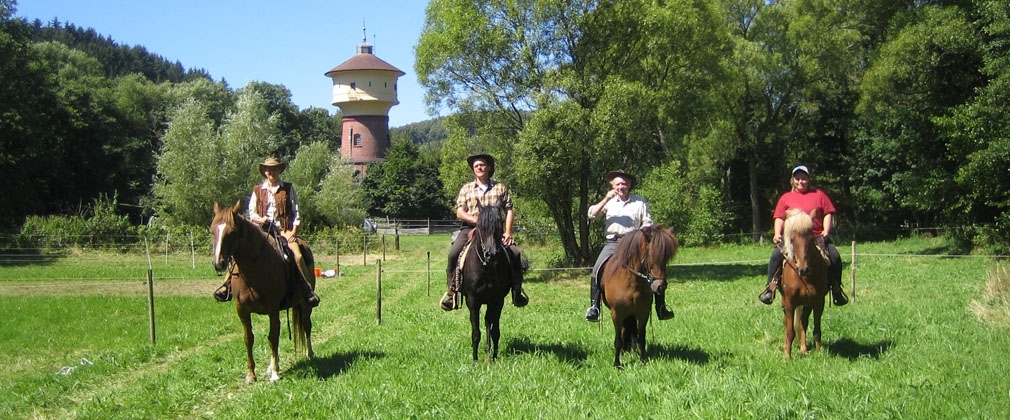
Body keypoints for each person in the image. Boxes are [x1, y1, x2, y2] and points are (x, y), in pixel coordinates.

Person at [214, 157, 320, 308]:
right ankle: (226, 286)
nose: (271, 172)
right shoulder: (257, 190)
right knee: (240, 253)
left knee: (298, 255)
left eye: (274, 169)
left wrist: (293, 232)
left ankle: (307, 290)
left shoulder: (288, 189)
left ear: (279, 170)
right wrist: (260, 219)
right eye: (269, 169)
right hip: (261, 231)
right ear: (264, 171)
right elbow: (252, 213)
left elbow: (296, 212)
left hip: (283, 230)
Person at [439, 154, 529, 311]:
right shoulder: (466, 189)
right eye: (476, 166)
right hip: (470, 229)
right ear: (473, 170)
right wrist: (477, 221)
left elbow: (508, 211)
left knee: (515, 253)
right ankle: (453, 292)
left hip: (495, 231)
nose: (479, 168)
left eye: (482, 165)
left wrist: (507, 232)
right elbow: (460, 212)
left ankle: (517, 290)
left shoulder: (500, 188)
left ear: (489, 167)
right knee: (453, 254)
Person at [584, 170, 675, 322]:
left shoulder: (639, 202)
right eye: (618, 183)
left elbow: (648, 222)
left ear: (630, 185)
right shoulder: (609, 202)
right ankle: (594, 307)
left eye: (624, 183)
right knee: (597, 268)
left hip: (635, 243)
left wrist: (643, 232)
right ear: (612, 185)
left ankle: (661, 307)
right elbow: (592, 214)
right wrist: (606, 198)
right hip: (613, 242)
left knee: (656, 269)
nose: (621, 186)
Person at [758, 164, 848, 306]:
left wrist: (826, 230)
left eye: (803, 179)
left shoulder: (819, 195)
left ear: (808, 179)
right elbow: (779, 217)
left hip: (817, 236)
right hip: (792, 239)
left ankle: (836, 289)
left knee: (835, 257)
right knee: (775, 257)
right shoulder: (786, 198)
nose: (800, 182)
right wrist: (777, 233)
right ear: (793, 180)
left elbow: (828, 213)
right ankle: (771, 288)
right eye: (797, 179)